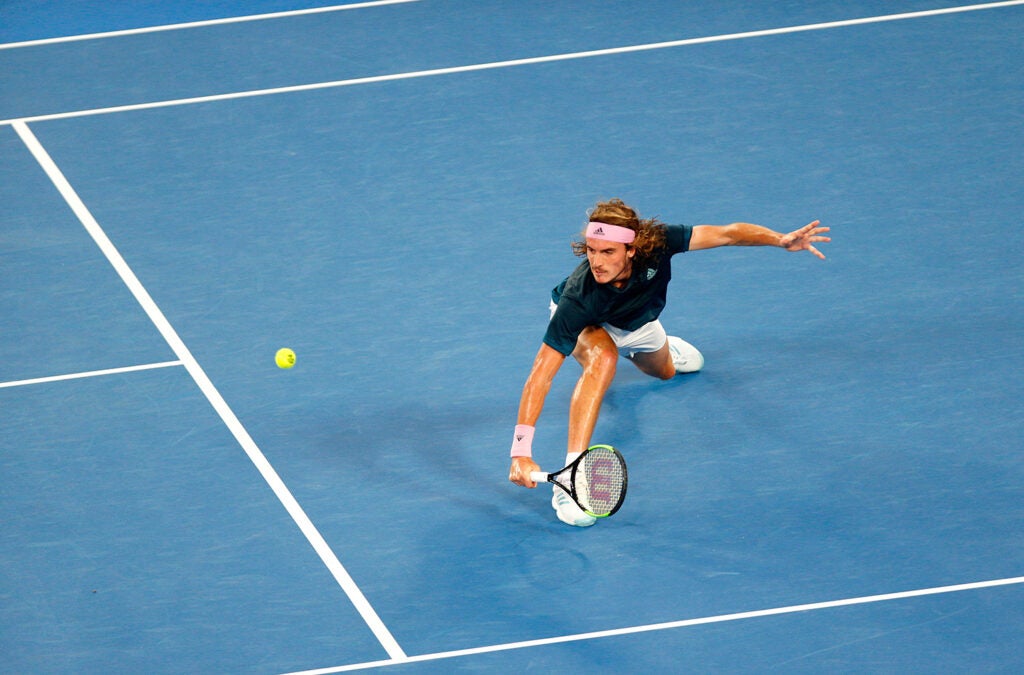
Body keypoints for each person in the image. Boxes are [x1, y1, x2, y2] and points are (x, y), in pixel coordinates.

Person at [507, 198, 830, 526]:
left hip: (637, 323)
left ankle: (663, 352)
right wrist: (520, 450)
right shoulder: (578, 297)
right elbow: (540, 376)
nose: (597, 261)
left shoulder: (660, 241)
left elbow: (728, 234)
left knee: (665, 372)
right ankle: (573, 476)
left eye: (608, 252)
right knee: (603, 359)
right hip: (589, 325)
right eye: (592, 250)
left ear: (632, 249)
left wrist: (779, 239)